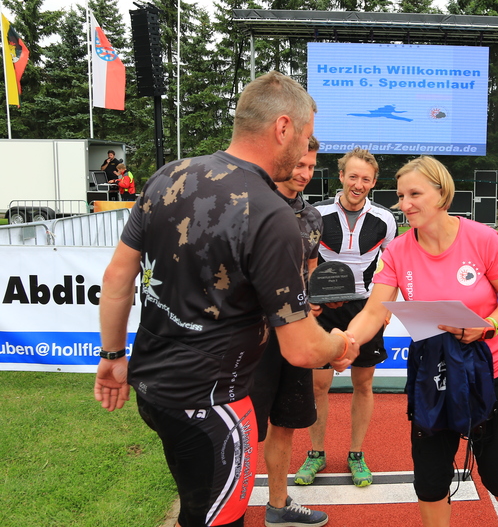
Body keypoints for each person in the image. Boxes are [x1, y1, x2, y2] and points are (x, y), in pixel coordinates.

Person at [93, 71, 359, 527]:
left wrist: (113, 355)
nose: (305, 150)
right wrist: (340, 345)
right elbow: (300, 347)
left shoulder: (168, 175)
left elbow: (118, 277)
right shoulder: (271, 213)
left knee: (197, 510)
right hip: (214, 405)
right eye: (306, 136)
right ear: (283, 128)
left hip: (153, 387)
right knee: (218, 519)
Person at [345, 155, 498, 527]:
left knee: (497, 474)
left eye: (414, 194)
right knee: (429, 481)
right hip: (434, 376)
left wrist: (488, 325)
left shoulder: (482, 239)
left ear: (442, 194)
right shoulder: (397, 251)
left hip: (491, 373)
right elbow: (374, 312)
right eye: (400, 196)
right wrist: (346, 341)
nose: (405, 204)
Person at [295, 148, 397, 488]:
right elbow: (304, 259)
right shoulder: (315, 213)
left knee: (363, 384)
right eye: (352, 176)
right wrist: (310, 300)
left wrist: (386, 307)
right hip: (324, 310)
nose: (358, 184)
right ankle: (316, 453)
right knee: (318, 386)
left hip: (366, 309)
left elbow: (391, 267)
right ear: (341, 176)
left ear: (374, 182)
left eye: (365, 179)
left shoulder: (385, 219)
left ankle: (356, 453)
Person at [250, 135, 328, 527]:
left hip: (295, 332)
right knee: (245, 426)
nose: (305, 173)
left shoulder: (312, 217)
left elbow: (310, 267)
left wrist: (313, 298)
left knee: (284, 422)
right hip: (253, 336)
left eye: (311, 167)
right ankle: (224, 507)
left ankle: (278, 505)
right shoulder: (252, 205)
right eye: (299, 164)